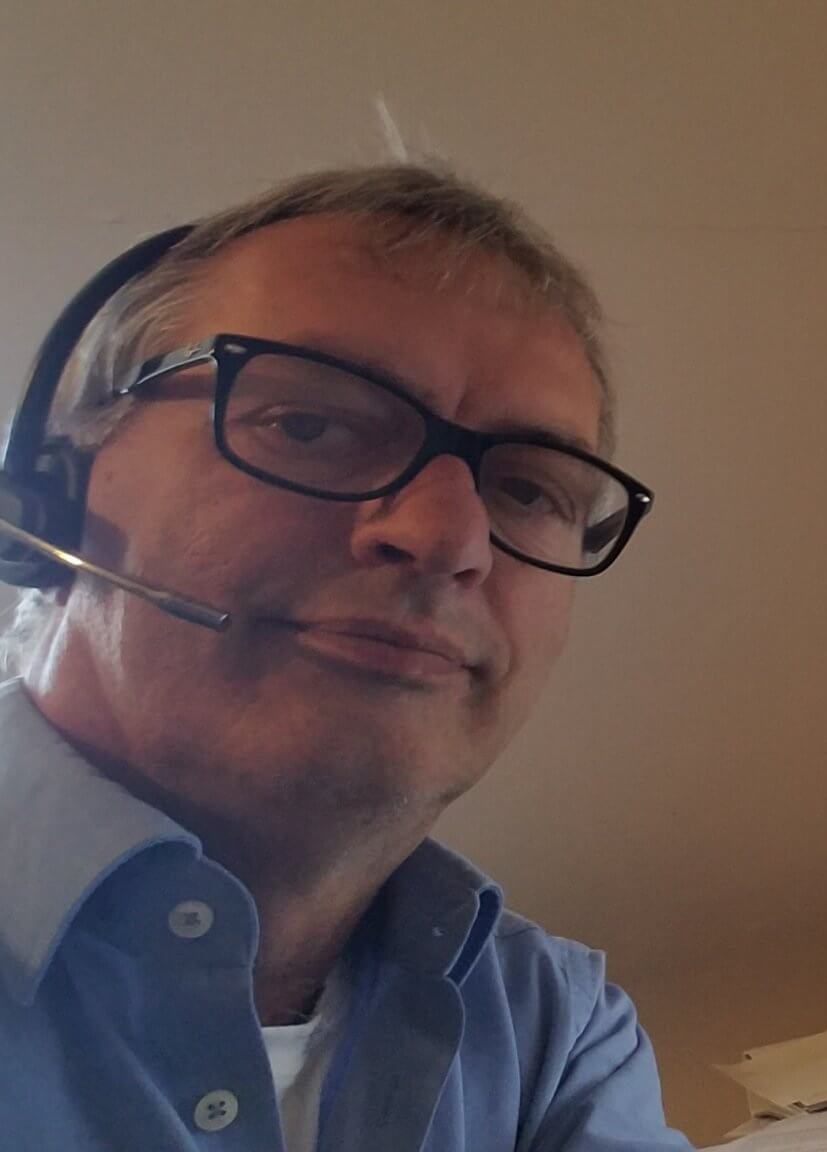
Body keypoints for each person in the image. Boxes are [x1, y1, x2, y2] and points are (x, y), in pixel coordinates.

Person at [0, 165, 687, 1150]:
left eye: (529, 490)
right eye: (311, 425)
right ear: (53, 491)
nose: (447, 538)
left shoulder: (558, 1032)